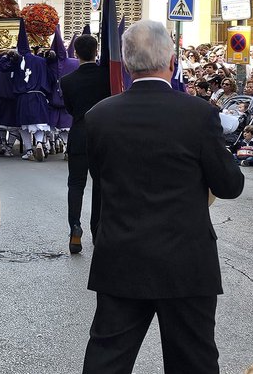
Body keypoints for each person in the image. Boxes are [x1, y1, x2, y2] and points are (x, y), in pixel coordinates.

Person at [81, 20, 244, 374]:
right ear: (171, 60)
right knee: (193, 362)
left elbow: (103, 178)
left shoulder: (98, 117)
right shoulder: (199, 114)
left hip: (122, 254)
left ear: (126, 64)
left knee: (107, 360)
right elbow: (230, 186)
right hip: (186, 260)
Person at [59, 34, 109, 255]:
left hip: (79, 134)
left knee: (76, 185)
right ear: (96, 51)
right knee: (100, 185)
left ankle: (75, 228)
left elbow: (70, 109)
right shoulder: (106, 76)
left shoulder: (67, 81)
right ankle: (97, 230)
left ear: (75, 53)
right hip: (102, 135)